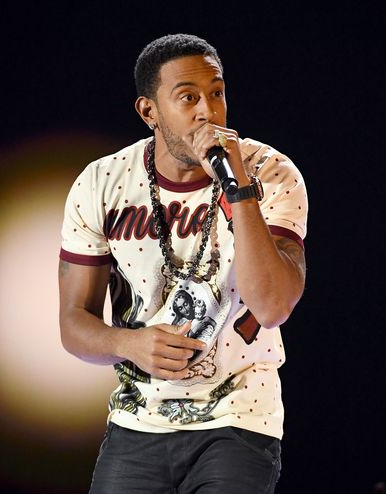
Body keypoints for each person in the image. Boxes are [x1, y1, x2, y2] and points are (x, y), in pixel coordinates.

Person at [58, 33, 308, 493]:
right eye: (188, 97)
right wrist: (129, 344)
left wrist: (240, 189)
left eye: (217, 93)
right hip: (138, 421)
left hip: (240, 419)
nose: (207, 112)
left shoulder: (271, 173)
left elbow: (272, 306)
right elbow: (74, 324)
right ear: (149, 111)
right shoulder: (102, 182)